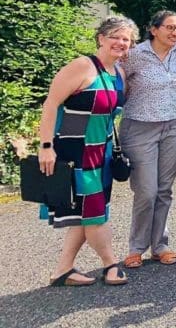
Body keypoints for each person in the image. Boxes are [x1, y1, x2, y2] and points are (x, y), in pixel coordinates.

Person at [38, 16, 136, 286]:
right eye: (115, 36)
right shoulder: (82, 66)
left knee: (87, 213)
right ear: (101, 38)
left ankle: (62, 271)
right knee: (94, 214)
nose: (121, 42)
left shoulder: (118, 73)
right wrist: (46, 146)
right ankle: (110, 265)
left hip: (102, 152)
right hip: (76, 152)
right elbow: (51, 104)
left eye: (126, 39)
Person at [119, 11, 176, 268]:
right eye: (170, 27)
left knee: (164, 189)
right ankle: (136, 247)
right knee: (146, 191)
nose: (175, 32)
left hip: (174, 125)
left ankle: (160, 246)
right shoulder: (134, 55)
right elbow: (117, 81)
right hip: (140, 127)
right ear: (154, 29)